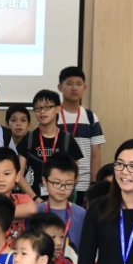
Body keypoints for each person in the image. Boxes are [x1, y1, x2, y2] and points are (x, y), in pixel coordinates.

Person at [17, 90, 83, 200]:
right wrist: (35, 199)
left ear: (58, 109)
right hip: (34, 201)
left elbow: (75, 176)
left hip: (61, 201)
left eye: (47, 107)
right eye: (38, 108)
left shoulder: (67, 139)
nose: (42, 111)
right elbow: (18, 175)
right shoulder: (29, 139)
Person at [55, 67, 105, 202]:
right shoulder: (53, 116)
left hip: (84, 184)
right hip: (56, 182)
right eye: (69, 83)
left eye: (78, 84)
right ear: (60, 87)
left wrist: (94, 185)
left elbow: (96, 155)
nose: (74, 88)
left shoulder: (90, 117)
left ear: (84, 87)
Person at [32, 152, 86, 258]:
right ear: (44, 181)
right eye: (57, 183)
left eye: (68, 184)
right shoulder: (36, 212)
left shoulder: (81, 214)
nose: (62, 188)